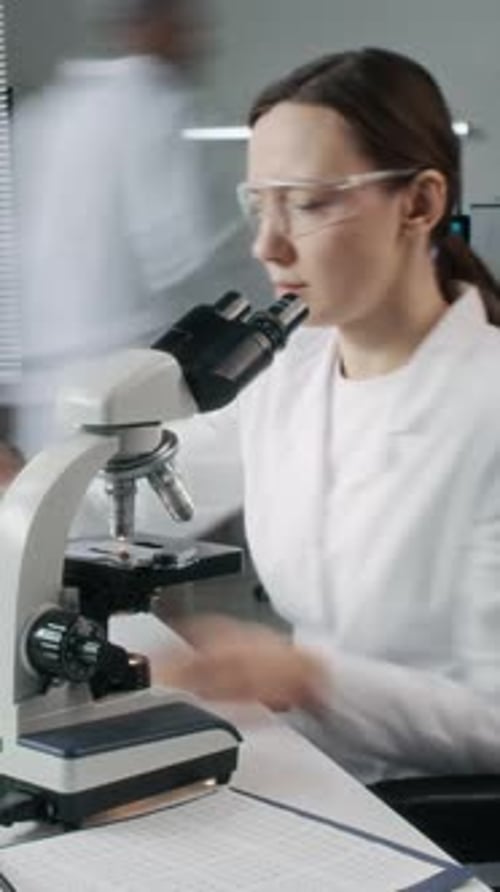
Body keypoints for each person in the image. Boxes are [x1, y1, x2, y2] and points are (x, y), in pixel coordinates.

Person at [116, 45, 500, 786]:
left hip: (439, 822)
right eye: (259, 203)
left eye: (309, 201)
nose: (267, 245)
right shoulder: (289, 376)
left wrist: (303, 677)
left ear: (420, 204)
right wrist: (30, 489)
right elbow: (135, 488)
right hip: (306, 771)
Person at [12, 0, 214, 458]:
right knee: (134, 523)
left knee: (47, 520)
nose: (201, 43)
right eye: (188, 27)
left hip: (44, 389)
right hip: (123, 380)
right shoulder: (153, 106)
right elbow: (179, 255)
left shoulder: (44, 112)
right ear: (154, 26)